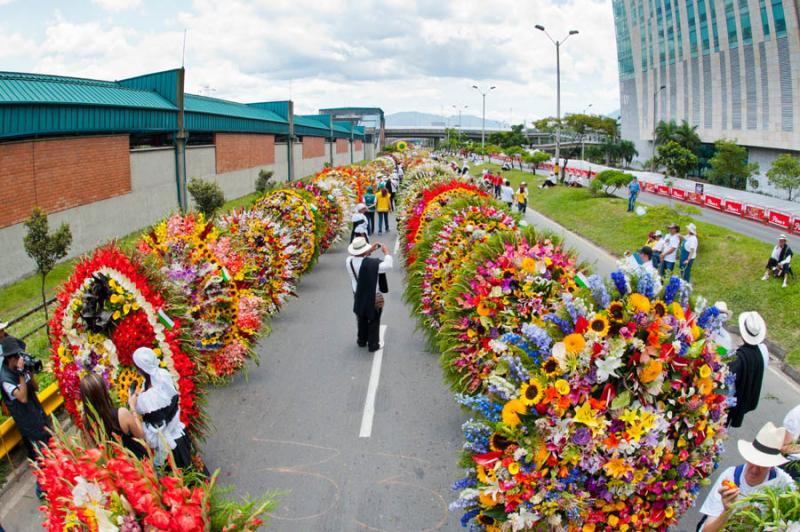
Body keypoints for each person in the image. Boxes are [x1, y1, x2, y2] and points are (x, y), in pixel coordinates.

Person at [697, 422, 794, 531]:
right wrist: (727, 510)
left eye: (763, 465)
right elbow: (707, 530)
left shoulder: (782, 482)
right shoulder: (730, 476)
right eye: (752, 461)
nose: (755, 469)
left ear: (772, 466)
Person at [0, 328, 50, 498]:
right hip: (28, 422)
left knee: (49, 449)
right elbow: (21, 397)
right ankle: (41, 489)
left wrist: (30, 372)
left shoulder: (22, 368)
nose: (19, 359)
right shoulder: (5, 378)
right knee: (42, 456)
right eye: (16, 357)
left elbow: (34, 388)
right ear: (9, 359)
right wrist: (21, 374)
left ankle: (53, 481)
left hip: (38, 413)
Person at [131, 347, 193, 469]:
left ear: (141, 370)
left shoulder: (149, 398)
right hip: (178, 434)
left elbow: (151, 425)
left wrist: (133, 405)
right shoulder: (162, 375)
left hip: (170, 446)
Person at [80, 373, 148, 459]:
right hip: (136, 461)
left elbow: (94, 448)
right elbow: (141, 435)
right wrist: (133, 407)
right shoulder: (121, 413)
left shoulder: (86, 420)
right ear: (103, 391)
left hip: (115, 467)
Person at [346, 237, 393, 353]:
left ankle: (361, 340)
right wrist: (386, 253)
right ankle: (373, 345)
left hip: (357, 294)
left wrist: (369, 250)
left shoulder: (349, 261)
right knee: (373, 319)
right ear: (365, 251)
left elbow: (360, 259)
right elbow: (388, 265)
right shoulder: (372, 264)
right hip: (372, 296)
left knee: (361, 317)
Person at [727, 311, 769, 428]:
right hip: (743, 400)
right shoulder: (763, 352)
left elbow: (728, 385)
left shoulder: (738, 359)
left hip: (730, 403)